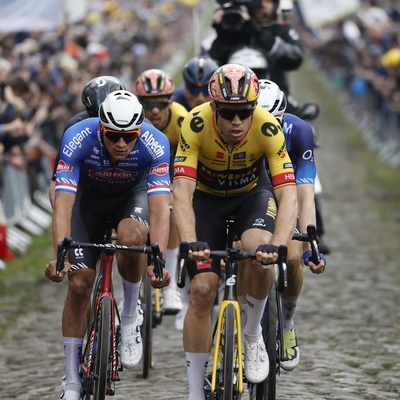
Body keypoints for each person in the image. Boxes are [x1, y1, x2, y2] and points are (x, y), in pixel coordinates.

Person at [172, 63, 298, 399]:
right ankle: (195, 392)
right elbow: (182, 190)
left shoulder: (267, 127)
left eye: (244, 112)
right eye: (228, 114)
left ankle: (254, 336)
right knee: (202, 289)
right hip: (206, 201)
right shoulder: (195, 123)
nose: (237, 122)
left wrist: (280, 245)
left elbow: (288, 194)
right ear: (215, 108)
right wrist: (189, 241)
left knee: (259, 251)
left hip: (250, 198)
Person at [44, 90, 171, 400]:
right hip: (88, 201)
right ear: (100, 127)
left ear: (139, 131)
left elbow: (159, 209)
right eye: (114, 135)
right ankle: (72, 380)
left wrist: (159, 260)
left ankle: (129, 318)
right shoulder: (78, 136)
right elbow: (62, 204)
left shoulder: (156, 143)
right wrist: (60, 253)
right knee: (78, 284)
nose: (122, 143)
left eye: (129, 136)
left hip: (132, 197)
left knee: (132, 238)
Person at [258, 79, 326, 370]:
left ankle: (286, 323)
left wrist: (310, 241)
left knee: (294, 255)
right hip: (251, 191)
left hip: (287, 191)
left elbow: (305, 192)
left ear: (282, 116)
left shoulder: (298, 131)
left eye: (272, 122)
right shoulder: (235, 128)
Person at [135, 68, 188, 315]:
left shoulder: (182, 119)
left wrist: (177, 190)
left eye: (160, 103)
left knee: (173, 206)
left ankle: (170, 287)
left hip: (174, 167)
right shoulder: (133, 120)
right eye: (148, 104)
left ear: (170, 101)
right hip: (143, 169)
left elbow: (188, 162)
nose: (154, 110)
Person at [172, 55, 219, 330]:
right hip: (180, 163)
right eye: (194, 90)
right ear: (185, 88)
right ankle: (184, 293)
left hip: (212, 169)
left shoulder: (223, 107)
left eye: (205, 91)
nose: (199, 96)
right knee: (183, 221)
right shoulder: (175, 104)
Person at [206, 0, 304, 114]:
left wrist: (258, 33)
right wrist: (221, 31)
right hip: (236, 103)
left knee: (304, 127)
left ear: (276, 4)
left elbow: (295, 58)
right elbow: (211, 67)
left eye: (268, 1)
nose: (262, 4)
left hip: (277, 101)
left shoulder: (282, 31)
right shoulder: (235, 31)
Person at [48, 75, 126, 208]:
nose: (103, 125)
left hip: (125, 190)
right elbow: (56, 183)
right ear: (87, 112)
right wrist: (63, 218)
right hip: (89, 191)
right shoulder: (74, 128)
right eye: (97, 117)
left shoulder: (142, 127)